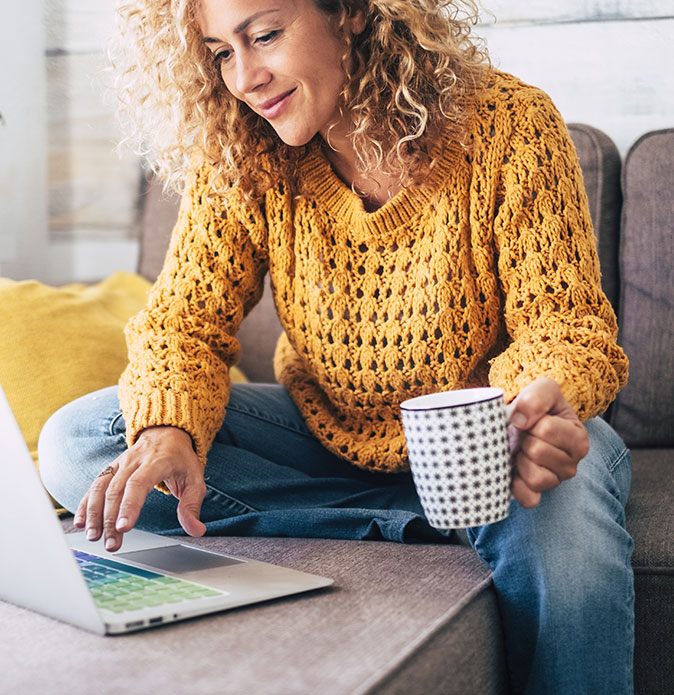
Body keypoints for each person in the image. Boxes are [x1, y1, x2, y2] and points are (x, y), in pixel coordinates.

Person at [37, 1, 634, 692]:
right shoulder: (243, 150)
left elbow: (566, 325)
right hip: (329, 438)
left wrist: (531, 410)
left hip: (490, 448)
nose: (245, 78)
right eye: (220, 53)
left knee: (563, 502)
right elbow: (182, 323)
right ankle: (433, 523)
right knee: (80, 441)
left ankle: (455, 513)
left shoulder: (511, 126)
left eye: (263, 36)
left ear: (351, 11)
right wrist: (170, 428)